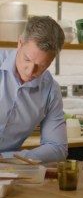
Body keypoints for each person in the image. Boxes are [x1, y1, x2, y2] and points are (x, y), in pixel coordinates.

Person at [0, 16, 68, 163]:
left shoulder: (50, 90)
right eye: (27, 59)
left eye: (41, 66)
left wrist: (6, 158)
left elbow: (57, 147)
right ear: (19, 43)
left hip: (10, 170)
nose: (30, 71)